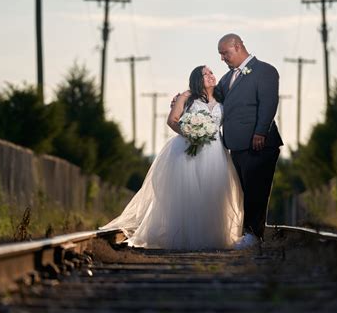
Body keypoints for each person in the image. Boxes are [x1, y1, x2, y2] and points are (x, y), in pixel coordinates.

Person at [101, 65, 243, 250]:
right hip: (190, 149)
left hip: (215, 151)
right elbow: (172, 120)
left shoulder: (223, 97)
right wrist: (190, 133)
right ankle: (183, 237)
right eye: (205, 74)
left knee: (213, 193)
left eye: (211, 72)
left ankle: (210, 237)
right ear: (197, 80)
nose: (210, 76)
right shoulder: (187, 97)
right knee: (190, 193)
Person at [216, 34, 283, 248]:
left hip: (259, 143)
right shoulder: (226, 79)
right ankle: (247, 233)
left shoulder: (265, 71)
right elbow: (210, 97)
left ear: (237, 46)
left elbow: (269, 103)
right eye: (220, 55)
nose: (222, 58)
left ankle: (254, 235)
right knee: (244, 191)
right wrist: (185, 98)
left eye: (225, 53)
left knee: (257, 190)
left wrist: (261, 132)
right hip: (236, 145)